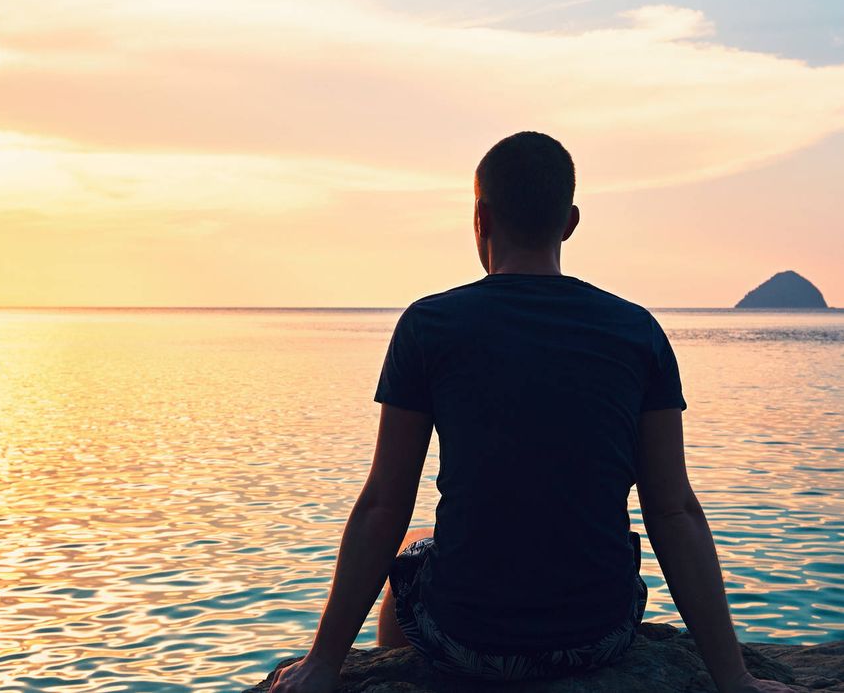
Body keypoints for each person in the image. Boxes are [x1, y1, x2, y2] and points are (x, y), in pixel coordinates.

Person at [268, 132, 793, 693]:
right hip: (599, 636)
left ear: (481, 217)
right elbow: (673, 512)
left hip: (467, 642)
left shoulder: (429, 325)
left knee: (412, 548)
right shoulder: (637, 331)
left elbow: (383, 504)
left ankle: (408, 679)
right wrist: (734, 677)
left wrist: (323, 662)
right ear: (569, 222)